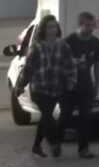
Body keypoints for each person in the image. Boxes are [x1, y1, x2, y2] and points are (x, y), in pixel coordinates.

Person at [15, 15, 76, 158]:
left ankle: (37, 146)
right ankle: (55, 143)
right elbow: (28, 69)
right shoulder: (36, 48)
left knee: (51, 117)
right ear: (43, 29)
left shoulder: (63, 46)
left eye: (54, 27)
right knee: (48, 116)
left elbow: (70, 65)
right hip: (40, 88)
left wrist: (71, 81)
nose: (52, 30)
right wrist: (20, 86)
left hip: (57, 87)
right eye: (49, 27)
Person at [62, 12, 99, 159]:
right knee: (65, 116)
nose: (91, 28)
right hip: (69, 87)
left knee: (85, 117)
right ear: (80, 25)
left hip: (86, 86)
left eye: (93, 25)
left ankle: (84, 149)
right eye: (87, 25)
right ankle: (55, 141)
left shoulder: (96, 43)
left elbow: (98, 65)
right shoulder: (68, 42)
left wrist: (97, 85)